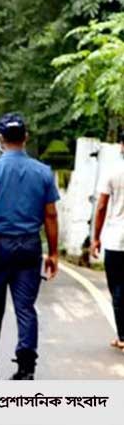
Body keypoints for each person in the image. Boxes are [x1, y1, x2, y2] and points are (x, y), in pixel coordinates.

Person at [0, 113, 60, 381]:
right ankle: (26, 369)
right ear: (26, 137)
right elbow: (51, 215)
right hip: (29, 247)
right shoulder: (43, 172)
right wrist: (53, 253)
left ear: (2, 139)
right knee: (26, 308)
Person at [91, 137, 124, 352]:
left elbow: (102, 206)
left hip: (116, 239)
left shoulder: (113, 170)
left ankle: (122, 336)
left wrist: (95, 237)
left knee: (118, 287)